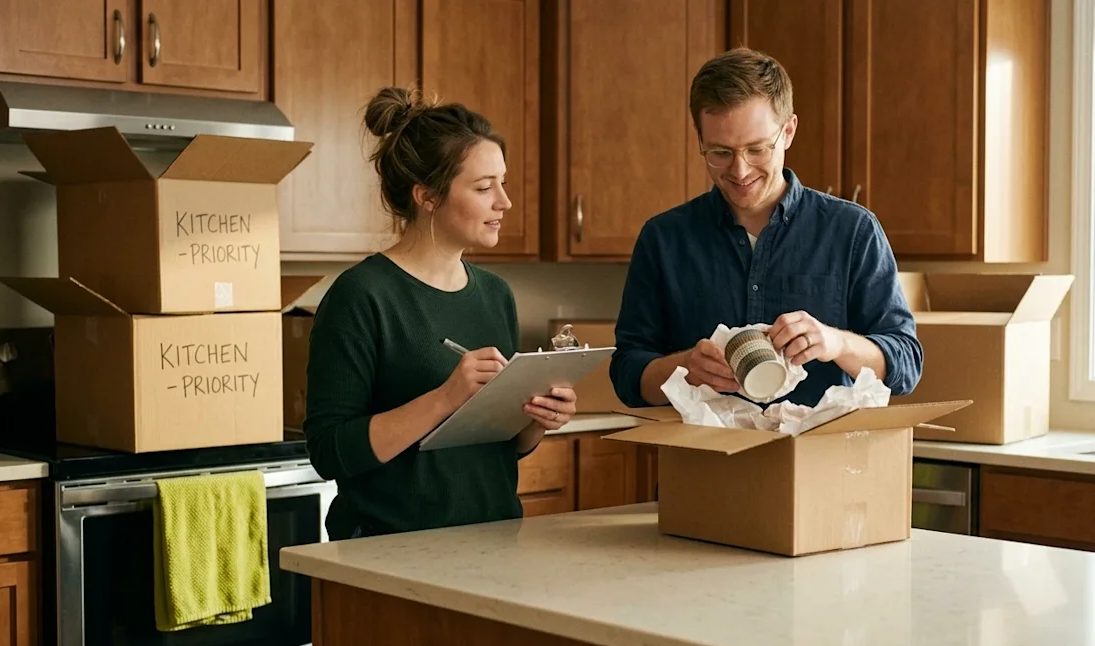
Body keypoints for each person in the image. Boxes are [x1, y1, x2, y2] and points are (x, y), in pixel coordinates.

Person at [303, 87, 578, 541]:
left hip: (494, 542)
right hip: (387, 551)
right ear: (427, 196)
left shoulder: (495, 294)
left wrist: (538, 419)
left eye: (502, 183)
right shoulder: (361, 296)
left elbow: (503, 447)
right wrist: (446, 397)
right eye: (484, 187)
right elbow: (330, 453)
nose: (504, 202)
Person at [610, 47, 922, 410]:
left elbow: (906, 365)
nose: (740, 171)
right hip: (704, 462)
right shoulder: (663, 239)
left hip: (820, 463)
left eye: (757, 149)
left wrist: (836, 343)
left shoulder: (853, 232)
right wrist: (685, 368)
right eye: (720, 153)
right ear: (700, 140)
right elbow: (627, 376)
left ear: (788, 131)